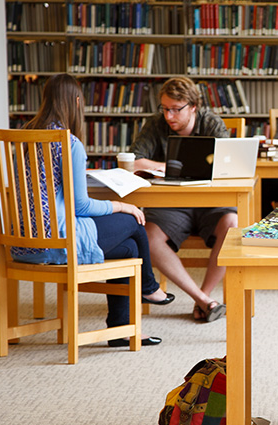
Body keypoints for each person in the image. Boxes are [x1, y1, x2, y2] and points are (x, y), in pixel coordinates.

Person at [14, 74, 172, 348]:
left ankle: (121, 329)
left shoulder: (24, 138)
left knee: (130, 250)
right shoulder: (69, 143)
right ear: (76, 101)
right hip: (57, 242)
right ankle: (148, 288)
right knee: (133, 222)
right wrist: (123, 204)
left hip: (23, 242)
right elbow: (81, 206)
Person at [131, 76, 233, 322]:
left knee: (233, 225)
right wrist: (169, 167)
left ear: (193, 107)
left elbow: (227, 164)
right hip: (172, 204)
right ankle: (206, 301)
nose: (169, 116)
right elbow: (135, 161)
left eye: (176, 110)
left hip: (212, 201)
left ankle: (203, 296)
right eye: (165, 109)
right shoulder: (155, 125)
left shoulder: (212, 123)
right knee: (147, 235)